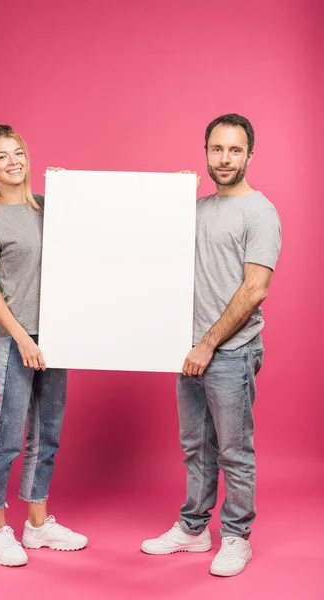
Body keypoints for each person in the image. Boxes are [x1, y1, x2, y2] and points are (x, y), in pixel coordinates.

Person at [141, 114, 281, 577]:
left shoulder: (259, 212)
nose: (225, 158)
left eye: (234, 150)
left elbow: (254, 288)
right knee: (196, 446)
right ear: (205, 152)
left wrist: (208, 344)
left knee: (233, 450)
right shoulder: (197, 208)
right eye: (217, 149)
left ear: (249, 155)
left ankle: (237, 537)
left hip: (231, 351)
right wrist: (171, 198)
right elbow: (149, 239)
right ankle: (193, 528)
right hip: (189, 350)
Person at [0, 122, 87, 567]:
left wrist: (169, 192)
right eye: (2, 156)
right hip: (13, 343)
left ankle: (37, 524)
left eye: (17, 152)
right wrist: (21, 338)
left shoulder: (50, 209)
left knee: (46, 436)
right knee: (6, 438)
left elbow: (104, 223)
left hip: (57, 338)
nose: (13, 161)